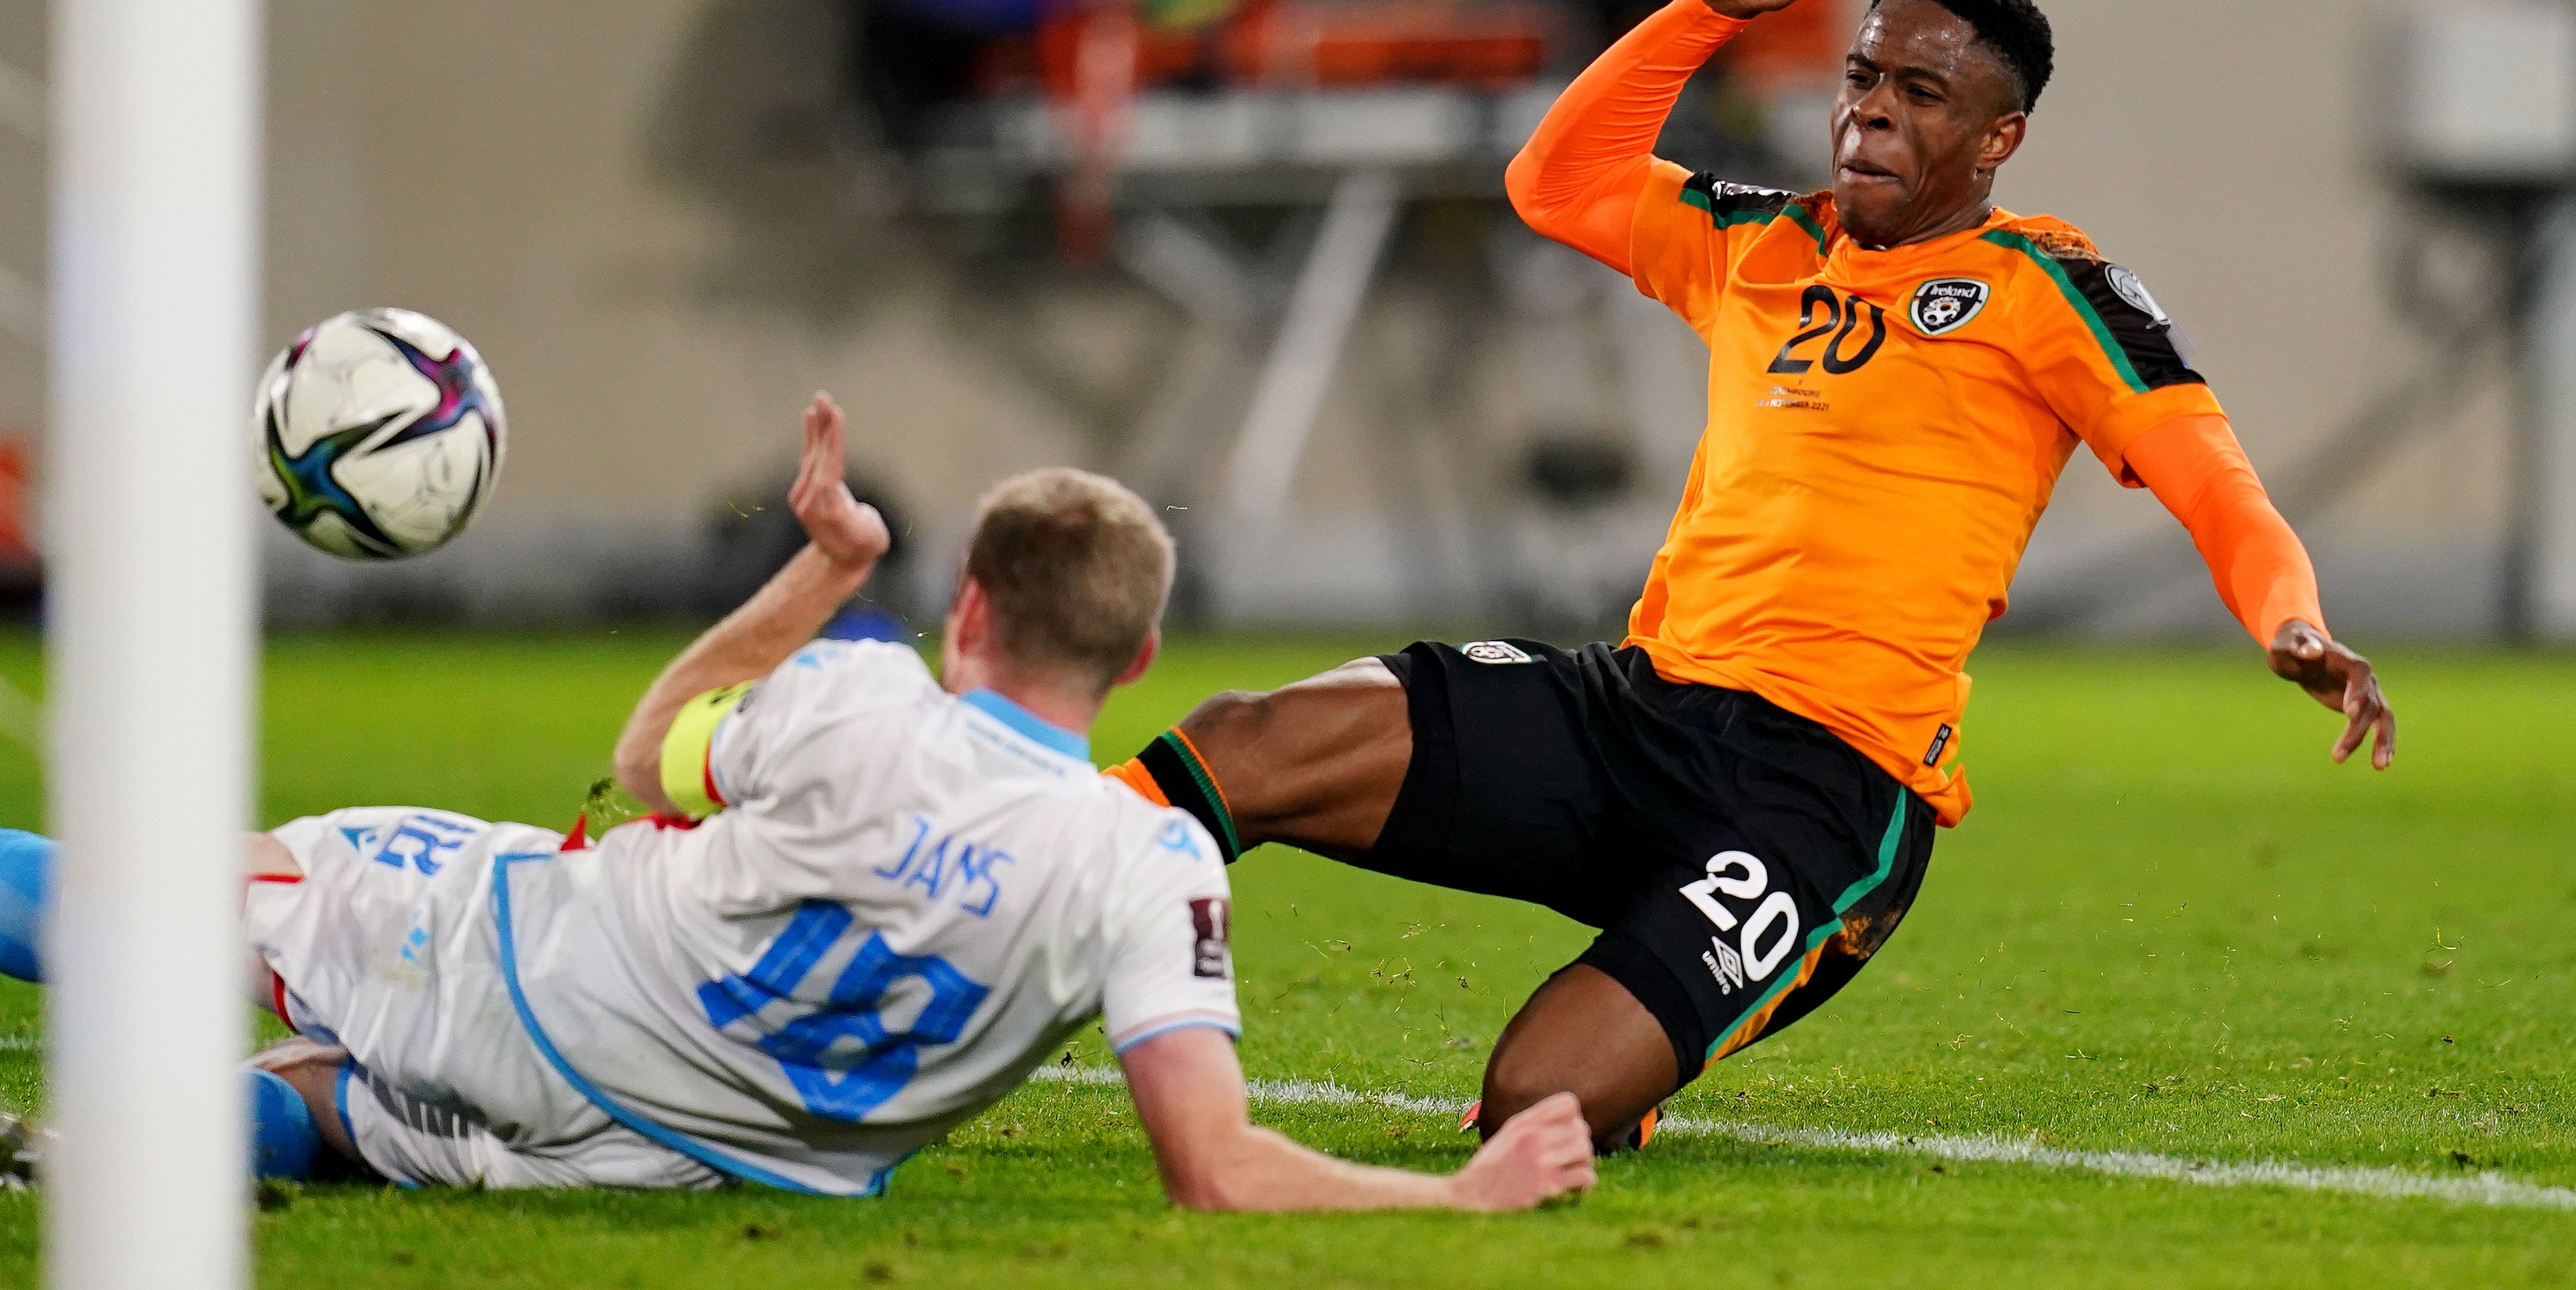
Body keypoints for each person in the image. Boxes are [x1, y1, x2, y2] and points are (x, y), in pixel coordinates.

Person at [1102, 0, 2399, 1151]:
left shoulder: (2048, 288)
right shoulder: (1759, 243)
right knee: (1243, 743)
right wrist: (1707, 8)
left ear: (1997, 140)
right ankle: (984, 916)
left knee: (1534, 1104)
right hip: (1636, 711)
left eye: (1921, 93)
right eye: (1863, 75)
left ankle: (1652, 1028)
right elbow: (1554, 183)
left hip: (1823, 793)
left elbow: (2217, 482)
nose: (1872, 111)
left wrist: (2292, 621)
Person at [0, 395, 1595, 1210]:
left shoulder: (861, 691)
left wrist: (829, 571)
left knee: (191, 890)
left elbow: (649, 752)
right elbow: (1214, 1161)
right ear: (1144, 653)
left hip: (542, 980)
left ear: (965, 604)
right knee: (341, 1098)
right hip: (687, 1157)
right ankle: (107, 1149)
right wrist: (1455, 1190)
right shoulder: (1158, 857)